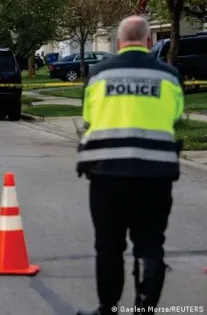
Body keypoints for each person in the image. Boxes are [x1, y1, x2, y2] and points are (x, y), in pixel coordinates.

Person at [76, 16, 184, 315]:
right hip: (156, 173)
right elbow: (175, 114)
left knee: (108, 246)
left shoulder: (99, 75)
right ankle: (146, 306)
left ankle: (107, 308)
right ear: (149, 41)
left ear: (118, 42)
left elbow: (90, 117)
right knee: (150, 243)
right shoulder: (169, 76)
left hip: (107, 174)